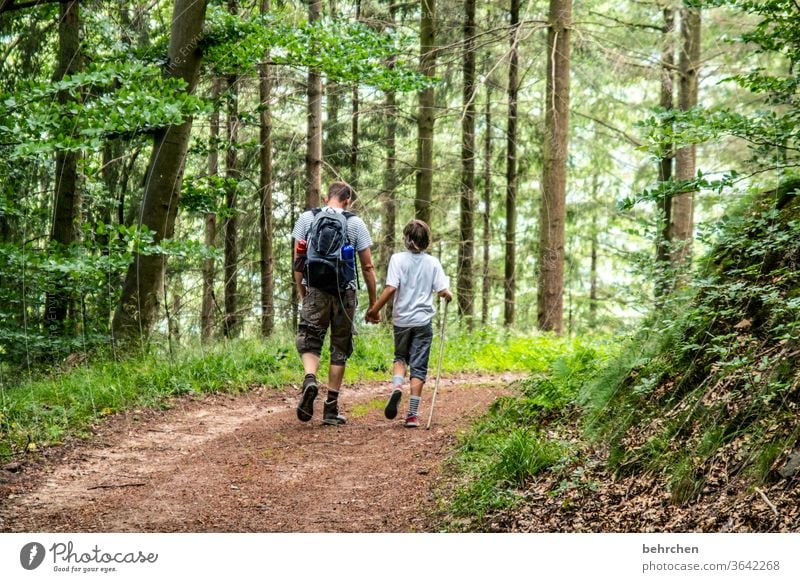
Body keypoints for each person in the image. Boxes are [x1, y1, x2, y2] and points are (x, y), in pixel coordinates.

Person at [291, 181, 378, 425]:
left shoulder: (307, 219)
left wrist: (303, 292)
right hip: (344, 293)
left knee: (311, 338)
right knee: (339, 348)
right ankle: (330, 408)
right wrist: (373, 304)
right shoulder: (355, 223)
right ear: (348, 201)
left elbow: (298, 261)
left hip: (315, 288)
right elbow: (368, 266)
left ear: (326, 196)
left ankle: (310, 378)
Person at [365, 219, 452, 427]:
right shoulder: (433, 262)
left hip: (402, 320)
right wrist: (447, 294)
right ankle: (412, 415)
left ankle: (396, 387)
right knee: (419, 367)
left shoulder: (397, 259)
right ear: (426, 241)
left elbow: (391, 288)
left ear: (406, 239)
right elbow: (443, 291)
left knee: (400, 358)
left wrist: (374, 310)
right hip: (423, 322)